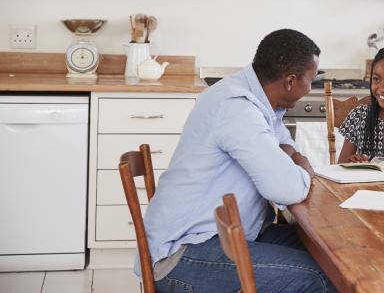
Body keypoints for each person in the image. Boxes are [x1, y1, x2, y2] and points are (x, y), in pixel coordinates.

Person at [138, 29, 335, 293]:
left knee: (333, 255)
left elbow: (287, 145)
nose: (311, 88)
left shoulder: (259, 100)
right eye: (311, 80)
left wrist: (294, 159)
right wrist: (302, 166)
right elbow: (286, 188)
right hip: (183, 254)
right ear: (290, 81)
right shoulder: (237, 108)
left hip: (230, 234)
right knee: (318, 278)